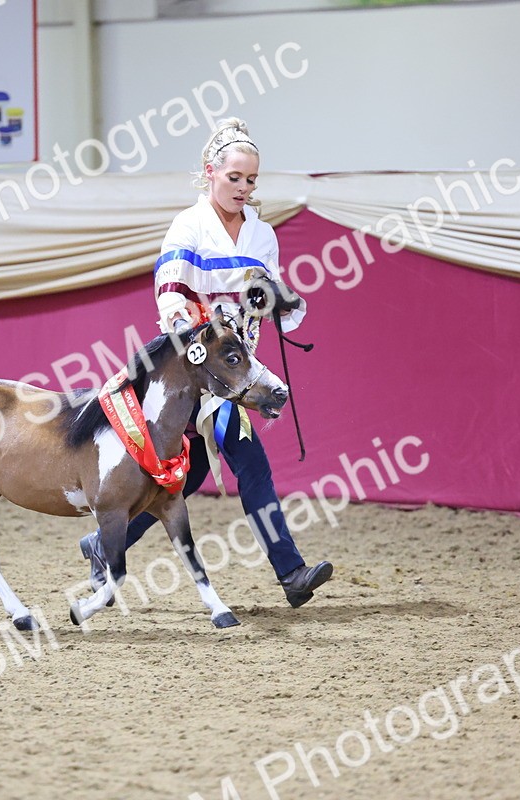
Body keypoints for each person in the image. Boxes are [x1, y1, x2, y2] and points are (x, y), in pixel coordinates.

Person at [79, 117, 333, 608]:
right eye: (234, 177)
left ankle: (103, 544)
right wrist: (213, 352)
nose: (243, 187)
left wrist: (271, 300)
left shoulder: (262, 237)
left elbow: (260, 303)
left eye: (251, 180)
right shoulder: (188, 225)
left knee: (189, 475)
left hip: (235, 367)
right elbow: (170, 300)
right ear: (210, 171)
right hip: (193, 369)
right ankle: (292, 573)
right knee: (251, 465)